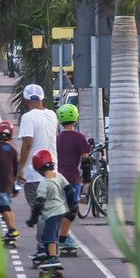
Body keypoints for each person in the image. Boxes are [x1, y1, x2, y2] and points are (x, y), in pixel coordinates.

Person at [16, 83, 59, 229]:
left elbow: (27, 144)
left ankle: (44, 245)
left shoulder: (28, 117)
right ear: (42, 99)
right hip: (52, 172)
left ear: (26, 101)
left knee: (39, 210)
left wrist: (20, 168)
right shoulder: (52, 115)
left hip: (34, 173)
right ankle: (50, 244)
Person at [25, 150, 70, 274]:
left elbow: (38, 204)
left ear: (37, 169)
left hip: (52, 213)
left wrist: (32, 219)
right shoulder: (59, 176)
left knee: (49, 236)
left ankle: (53, 258)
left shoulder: (43, 184)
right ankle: (51, 254)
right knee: (50, 235)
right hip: (62, 210)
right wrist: (72, 207)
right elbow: (69, 190)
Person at [55, 104, 90, 255]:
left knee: (60, 208)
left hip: (57, 177)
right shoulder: (79, 137)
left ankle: (60, 236)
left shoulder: (57, 138)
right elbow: (85, 159)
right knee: (71, 210)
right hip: (73, 178)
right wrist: (87, 179)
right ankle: (63, 238)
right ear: (75, 118)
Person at [0, 120, 21, 243]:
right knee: (7, 206)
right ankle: (11, 229)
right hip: (10, 182)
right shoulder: (13, 150)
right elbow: (16, 169)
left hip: (0, 183)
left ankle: (12, 229)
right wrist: (15, 186)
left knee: (3, 207)